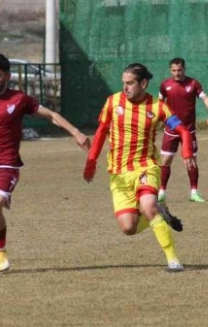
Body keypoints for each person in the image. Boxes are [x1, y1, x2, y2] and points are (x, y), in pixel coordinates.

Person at [0, 53, 89, 274]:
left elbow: (50, 115)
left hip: (8, 165)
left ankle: (2, 255)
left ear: (8, 76)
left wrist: (76, 132)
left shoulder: (19, 99)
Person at [83, 63, 195, 272]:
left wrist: (187, 151)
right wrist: (91, 161)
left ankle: (173, 260)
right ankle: (161, 214)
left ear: (143, 83)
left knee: (148, 206)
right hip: (118, 173)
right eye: (123, 83)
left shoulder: (158, 106)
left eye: (130, 83)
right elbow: (101, 132)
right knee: (128, 227)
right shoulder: (112, 102)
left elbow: (183, 130)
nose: (125, 87)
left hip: (146, 167)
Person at [158, 57, 208, 203]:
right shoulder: (165, 85)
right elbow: (158, 104)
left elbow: (206, 98)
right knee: (166, 161)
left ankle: (194, 192)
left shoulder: (193, 83)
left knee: (191, 161)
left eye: (179, 70)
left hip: (188, 131)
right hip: (171, 129)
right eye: (174, 70)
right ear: (171, 70)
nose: (177, 73)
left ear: (184, 69)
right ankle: (161, 192)